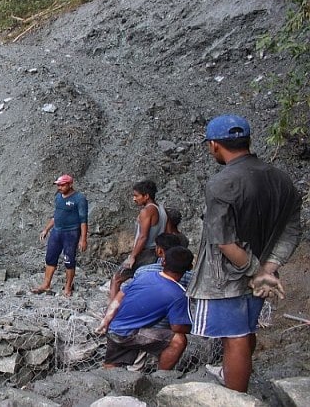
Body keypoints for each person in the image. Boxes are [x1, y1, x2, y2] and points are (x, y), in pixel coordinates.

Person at [187, 114, 301, 393]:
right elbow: (292, 230)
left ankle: (236, 398)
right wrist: (269, 269)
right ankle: (240, 384)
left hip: (229, 277)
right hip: (260, 277)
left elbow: (223, 241)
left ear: (214, 145)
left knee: (234, 337)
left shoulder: (221, 183)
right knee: (246, 329)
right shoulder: (281, 179)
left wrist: (256, 272)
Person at [95, 246, 194, 371]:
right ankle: (162, 376)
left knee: (113, 363)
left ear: (163, 262)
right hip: (130, 333)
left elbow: (119, 296)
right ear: (189, 268)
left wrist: (106, 320)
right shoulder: (178, 294)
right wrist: (195, 329)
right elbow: (177, 327)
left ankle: (107, 376)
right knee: (179, 340)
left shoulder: (145, 275)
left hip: (115, 327)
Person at [108, 179, 167, 300]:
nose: (134, 199)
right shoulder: (161, 209)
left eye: (136, 196)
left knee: (116, 279)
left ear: (146, 196)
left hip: (144, 252)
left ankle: (112, 312)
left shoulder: (146, 211)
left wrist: (133, 256)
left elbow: (143, 236)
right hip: (156, 251)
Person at [31, 174, 88, 297]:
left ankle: (68, 287)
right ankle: (46, 284)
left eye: (62, 185)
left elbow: (83, 220)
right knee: (50, 257)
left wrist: (83, 239)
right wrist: (46, 229)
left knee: (69, 260)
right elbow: (56, 216)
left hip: (71, 233)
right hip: (57, 231)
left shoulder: (79, 199)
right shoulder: (58, 197)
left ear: (70, 184)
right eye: (58, 185)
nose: (59, 187)